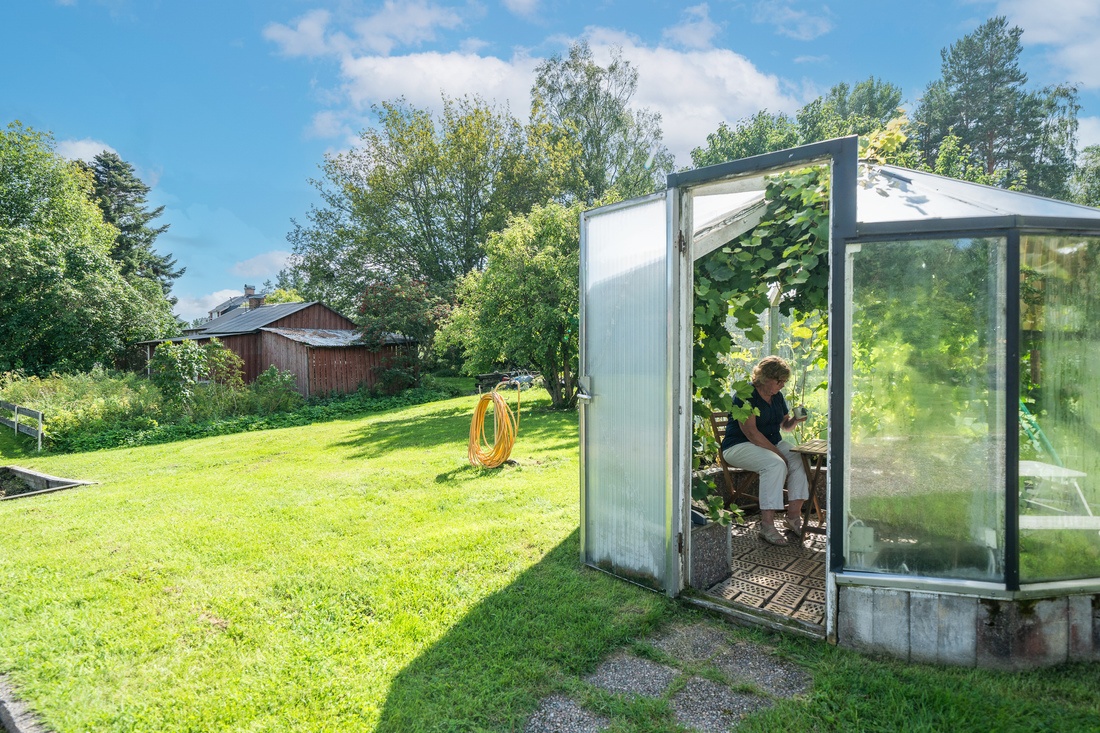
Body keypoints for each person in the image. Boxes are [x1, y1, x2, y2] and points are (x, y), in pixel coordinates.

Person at [721, 356, 809, 546]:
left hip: (769, 444)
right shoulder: (745, 394)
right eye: (779, 381)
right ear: (765, 377)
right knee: (775, 464)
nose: (782, 385)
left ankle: (793, 517)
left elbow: (784, 426)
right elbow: (752, 433)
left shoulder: (776, 396)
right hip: (739, 446)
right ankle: (767, 526)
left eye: (784, 381)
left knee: (800, 458)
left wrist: (794, 420)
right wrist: (778, 455)